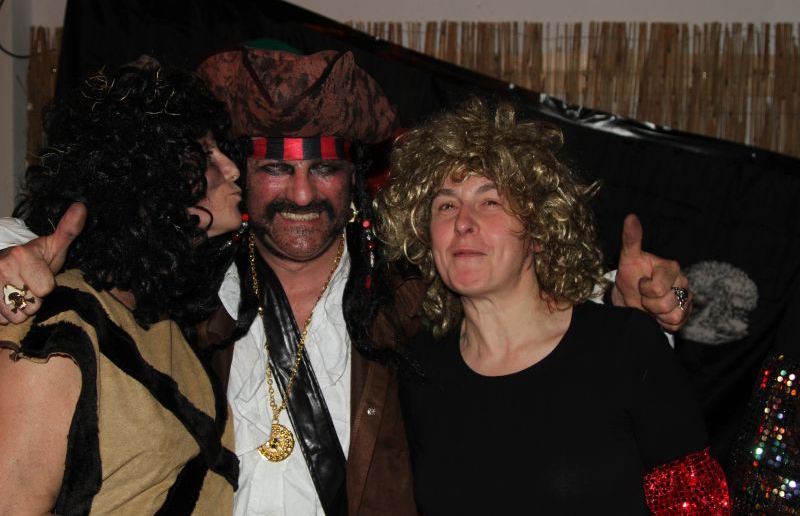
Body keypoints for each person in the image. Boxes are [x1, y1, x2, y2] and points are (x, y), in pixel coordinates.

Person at [0, 48, 693, 515]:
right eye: (277, 168)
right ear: (242, 176)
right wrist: (7, 280)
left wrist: (616, 293)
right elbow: (61, 274)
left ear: (354, 180)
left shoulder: (412, 305)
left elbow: (517, 306)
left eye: (325, 168)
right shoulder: (182, 299)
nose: (302, 193)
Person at [377, 98, 730, 514]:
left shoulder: (625, 344)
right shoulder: (419, 369)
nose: (463, 222)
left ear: (540, 230)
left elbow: (703, 508)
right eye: (446, 205)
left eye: (490, 201)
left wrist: (676, 300)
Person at [0, 59, 242, 514]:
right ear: (150, 174)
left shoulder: (161, 319)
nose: (232, 170)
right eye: (207, 155)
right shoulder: (63, 331)